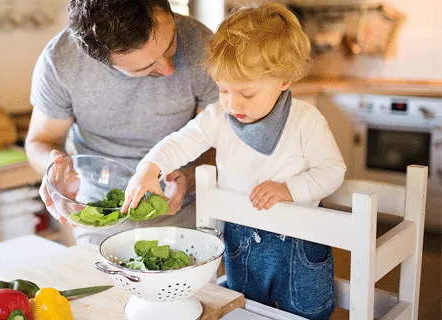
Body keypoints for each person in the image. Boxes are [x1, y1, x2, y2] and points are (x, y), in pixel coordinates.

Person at [121, 3, 346, 319]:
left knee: (308, 312)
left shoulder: (306, 120)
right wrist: (151, 167)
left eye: (246, 94)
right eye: (223, 89)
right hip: (242, 239)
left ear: (283, 80)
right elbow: (181, 142)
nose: (232, 103)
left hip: (299, 241)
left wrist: (289, 190)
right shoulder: (218, 117)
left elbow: (333, 171)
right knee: (246, 310)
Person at [25, 0, 219, 245]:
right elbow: (40, 141)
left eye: (170, 44)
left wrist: (189, 179)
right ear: (101, 60)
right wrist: (54, 169)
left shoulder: (202, 45)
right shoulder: (61, 60)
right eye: (147, 66)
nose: (168, 69)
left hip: (187, 212)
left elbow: (221, 138)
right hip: (100, 213)